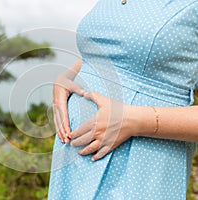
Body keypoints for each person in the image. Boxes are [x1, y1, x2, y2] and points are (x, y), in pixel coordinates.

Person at [48, 0, 198, 199]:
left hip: (138, 165)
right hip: (73, 164)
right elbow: (119, 54)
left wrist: (133, 119)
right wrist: (67, 76)